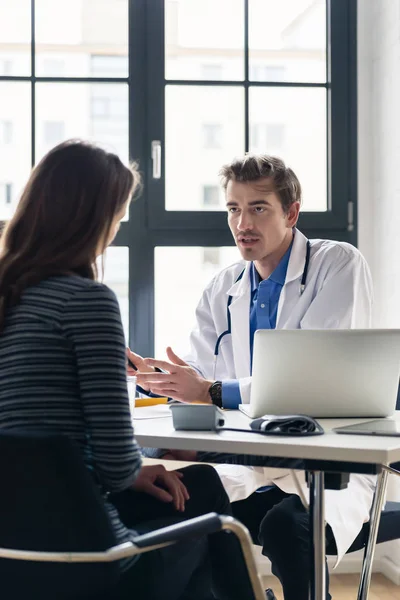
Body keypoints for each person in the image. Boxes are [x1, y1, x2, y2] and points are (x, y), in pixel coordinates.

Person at [0, 140, 261, 600]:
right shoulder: (88, 302)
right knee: (210, 525)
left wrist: (135, 472)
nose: (118, 230)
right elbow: (115, 461)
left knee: (197, 484)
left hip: (14, 553)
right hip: (92, 556)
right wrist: (132, 469)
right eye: (118, 217)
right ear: (92, 220)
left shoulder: (8, 297)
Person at [130, 154, 376, 600]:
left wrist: (211, 391)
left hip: (323, 463)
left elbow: (315, 379)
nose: (242, 222)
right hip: (248, 460)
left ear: (292, 213)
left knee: (283, 527)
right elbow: (200, 374)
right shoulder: (222, 285)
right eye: (233, 208)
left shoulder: (338, 264)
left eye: (258, 207)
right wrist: (157, 379)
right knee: (185, 500)